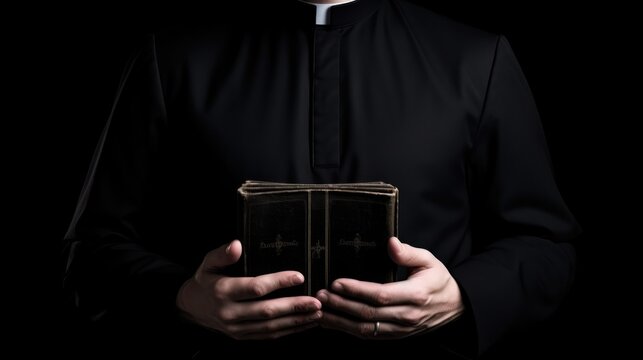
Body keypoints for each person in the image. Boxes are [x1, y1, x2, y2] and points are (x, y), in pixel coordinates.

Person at [63, 0, 580, 358]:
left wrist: (462, 296)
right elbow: (90, 253)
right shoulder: (173, 58)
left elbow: (549, 245)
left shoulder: (474, 58)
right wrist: (181, 298)